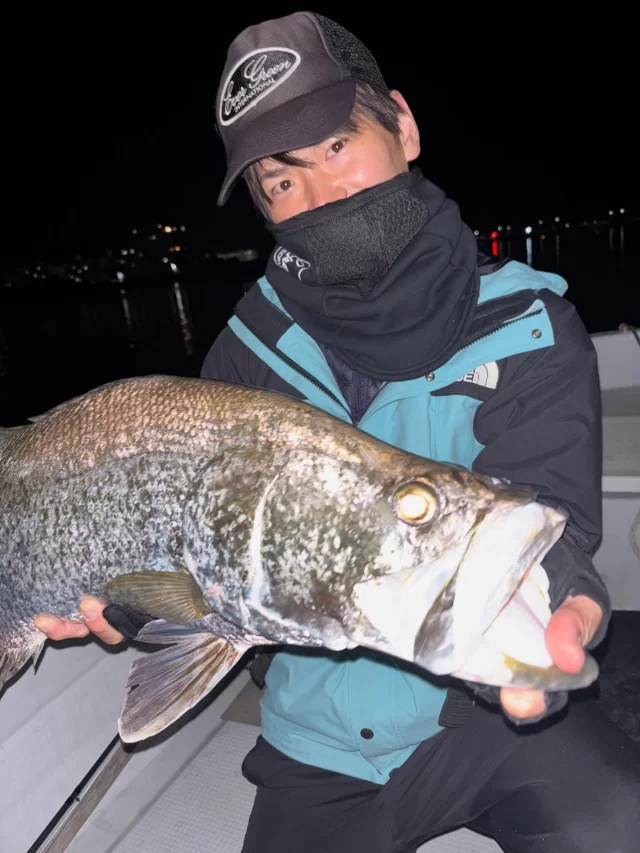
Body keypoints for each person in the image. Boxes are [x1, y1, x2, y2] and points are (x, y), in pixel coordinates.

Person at [36, 12, 640, 853]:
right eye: (283, 181)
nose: (322, 194)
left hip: (486, 724)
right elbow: (203, 574)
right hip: (314, 741)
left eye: (336, 146)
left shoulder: (532, 325)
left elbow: (548, 518)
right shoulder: (244, 357)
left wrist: (562, 591)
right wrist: (126, 610)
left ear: (403, 123)